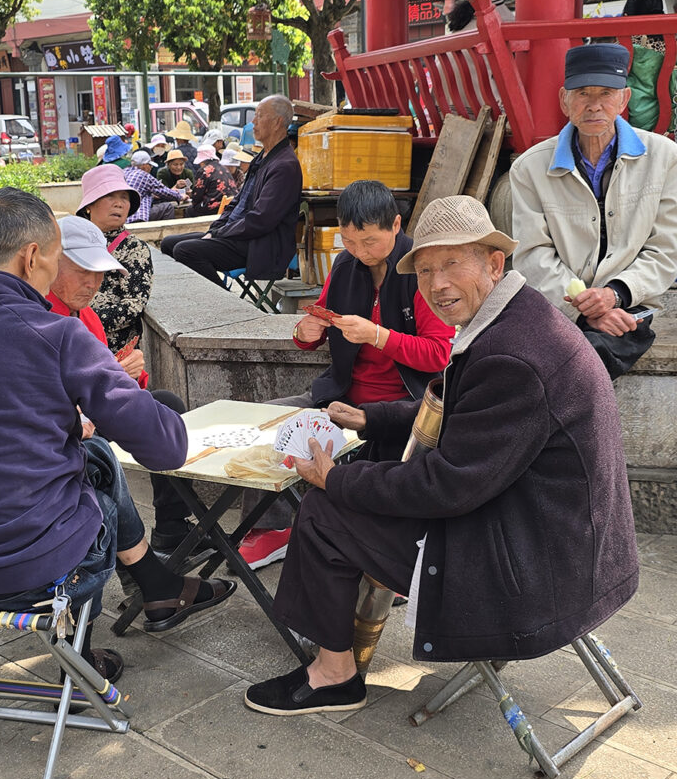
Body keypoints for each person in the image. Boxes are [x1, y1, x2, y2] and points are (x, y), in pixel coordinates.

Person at [243, 195, 638, 715]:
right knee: (357, 484)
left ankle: (334, 675)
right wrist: (372, 418)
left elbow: (445, 485)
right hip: (568, 543)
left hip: (538, 570)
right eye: (426, 270)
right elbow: (459, 405)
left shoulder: (511, 354)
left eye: (452, 263)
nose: (437, 284)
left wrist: (333, 480)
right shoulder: (520, 315)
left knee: (324, 510)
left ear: (494, 263)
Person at [0, 189, 235, 689]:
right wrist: (119, 381)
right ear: (32, 257)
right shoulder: (56, 334)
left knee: (91, 457)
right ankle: (90, 651)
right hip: (39, 574)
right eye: (57, 257)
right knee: (95, 488)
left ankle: (155, 590)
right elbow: (167, 448)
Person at [237, 180, 455, 571]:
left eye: (369, 241)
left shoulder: (421, 272)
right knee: (268, 422)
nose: (360, 252)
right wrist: (304, 333)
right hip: (340, 394)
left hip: (401, 404)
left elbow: (440, 353)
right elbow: (318, 324)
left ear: (396, 225)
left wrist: (377, 335)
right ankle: (271, 529)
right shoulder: (344, 266)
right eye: (349, 241)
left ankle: (383, 554)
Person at [511, 42, 677, 379]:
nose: (594, 105)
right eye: (582, 93)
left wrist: (614, 294)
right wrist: (585, 307)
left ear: (624, 99)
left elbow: (665, 249)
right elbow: (532, 255)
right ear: (564, 100)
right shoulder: (529, 168)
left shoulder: (664, 158)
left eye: (606, 93)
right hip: (560, 304)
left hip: (630, 302)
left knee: (576, 359)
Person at [48, 215, 209, 559]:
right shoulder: (43, 316)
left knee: (165, 404)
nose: (92, 284)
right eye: (82, 271)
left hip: (91, 412)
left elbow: (104, 379)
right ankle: (140, 563)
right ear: (50, 262)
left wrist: (126, 372)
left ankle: (171, 526)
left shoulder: (85, 314)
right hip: (64, 425)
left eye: (99, 273)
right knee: (102, 452)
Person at [160, 95, 303, 287]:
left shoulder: (284, 165)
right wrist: (216, 229)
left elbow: (261, 220)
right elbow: (238, 201)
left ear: (277, 122)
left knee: (185, 251)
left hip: (259, 244)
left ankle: (225, 301)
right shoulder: (263, 156)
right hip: (238, 235)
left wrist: (220, 233)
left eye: (259, 116)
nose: (253, 122)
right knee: (168, 244)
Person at [76, 164, 153, 355]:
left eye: (124, 197)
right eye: (109, 196)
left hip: (112, 352)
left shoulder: (134, 248)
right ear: (89, 206)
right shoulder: (71, 242)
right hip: (72, 344)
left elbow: (133, 305)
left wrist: (80, 323)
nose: (119, 203)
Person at [621, 0, 676, 132]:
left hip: (634, 125)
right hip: (672, 125)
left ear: (626, 17)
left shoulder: (622, 49)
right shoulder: (673, 45)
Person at [124, 149, 187, 222]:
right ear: (144, 166)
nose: (151, 168)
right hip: (137, 217)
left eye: (181, 164)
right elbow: (165, 191)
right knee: (168, 207)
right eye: (150, 165)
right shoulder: (144, 175)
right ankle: (168, 229)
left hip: (123, 216)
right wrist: (180, 196)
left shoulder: (124, 172)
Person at [187, 146, 240, 216]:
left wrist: (191, 195)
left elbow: (197, 196)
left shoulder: (205, 170)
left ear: (202, 161)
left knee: (190, 210)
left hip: (215, 207)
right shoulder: (224, 168)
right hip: (231, 205)